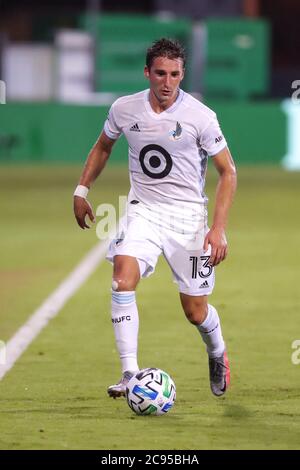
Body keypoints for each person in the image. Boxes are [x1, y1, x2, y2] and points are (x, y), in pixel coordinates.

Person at [73, 38, 237, 399]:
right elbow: (103, 146)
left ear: (183, 74)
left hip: (188, 221)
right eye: (160, 73)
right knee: (121, 279)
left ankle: (216, 351)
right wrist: (82, 190)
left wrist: (218, 229)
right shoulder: (124, 109)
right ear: (147, 72)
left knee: (195, 311)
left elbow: (228, 172)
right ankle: (130, 373)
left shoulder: (201, 117)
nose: (167, 82)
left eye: (175, 74)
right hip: (142, 212)